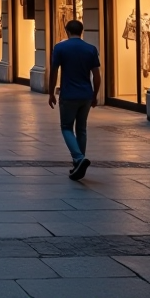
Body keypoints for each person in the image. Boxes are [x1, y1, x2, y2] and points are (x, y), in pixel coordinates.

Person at [49, 18, 102, 180]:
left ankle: (78, 158)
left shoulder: (60, 48)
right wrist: (95, 95)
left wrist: (51, 92)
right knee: (81, 129)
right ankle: (78, 162)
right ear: (81, 31)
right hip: (86, 94)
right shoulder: (91, 49)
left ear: (67, 31)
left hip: (68, 94)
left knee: (66, 127)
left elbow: (54, 71)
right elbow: (97, 76)